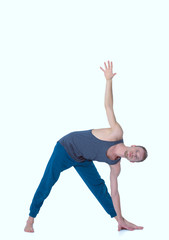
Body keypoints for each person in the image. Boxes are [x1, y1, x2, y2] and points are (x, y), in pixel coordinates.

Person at [24, 60, 148, 233]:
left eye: (137, 157)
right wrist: (108, 80)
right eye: (137, 151)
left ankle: (119, 220)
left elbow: (115, 193)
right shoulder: (117, 133)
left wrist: (121, 217)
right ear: (133, 146)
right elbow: (108, 107)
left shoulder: (116, 166)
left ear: (133, 162)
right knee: (48, 181)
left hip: (82, 158)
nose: (135, 154)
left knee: (99, 187)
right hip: (66, 147)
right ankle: (30, 220)